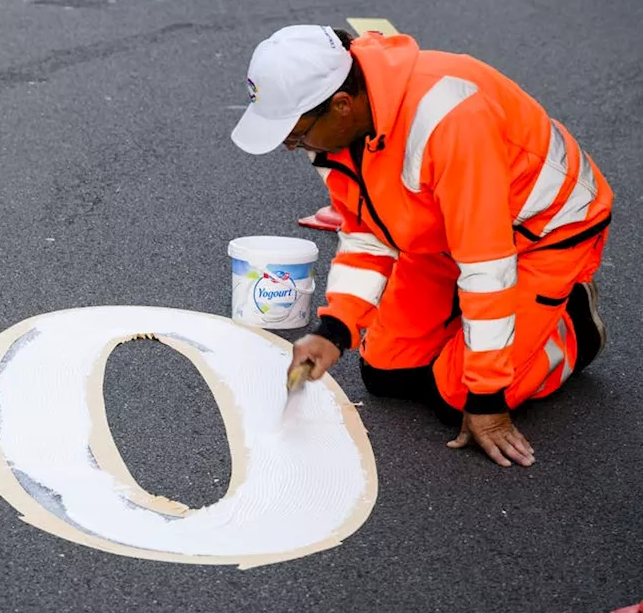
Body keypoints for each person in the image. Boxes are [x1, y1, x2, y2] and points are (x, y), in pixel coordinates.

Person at [230, 25, 612, 468]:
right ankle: (473, 325)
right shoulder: (337, 133)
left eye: (294, 135)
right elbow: (367, 232)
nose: (291, 146)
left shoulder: (452, 120)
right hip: (443, 232)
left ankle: (570, 326)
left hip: (538, 236)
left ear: (341, 105)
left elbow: (488, 267)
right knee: (385, 373)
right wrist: (336, 328)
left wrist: (488, 400)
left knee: (459, 399)